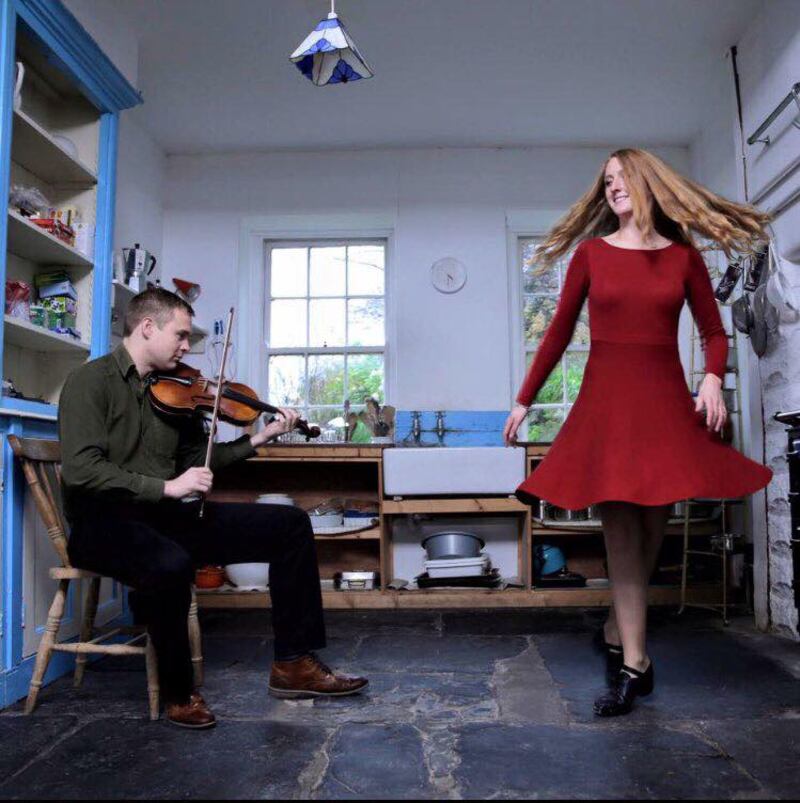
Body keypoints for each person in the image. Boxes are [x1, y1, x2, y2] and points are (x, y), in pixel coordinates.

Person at [503, 148, 773, 717]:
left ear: (648, 185)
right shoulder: (590, 255)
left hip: (663, 408)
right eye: (607, 181)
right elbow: (555, 334)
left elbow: (713, 332)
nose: (614, 187)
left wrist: (709, 380)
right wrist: (524, 399)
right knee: (622, 533)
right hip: (607, 408)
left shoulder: (682, 259)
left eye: (623, 178)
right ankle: (636, 665)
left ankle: (615, 628)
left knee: (653, 528)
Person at [59, 288, 368, 729]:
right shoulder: (90, 382)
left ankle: (294, 664)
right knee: (171, 563)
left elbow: (196, 464)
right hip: (102, 523)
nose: (188, 347)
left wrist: (257, 440)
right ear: (148, 327)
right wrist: (166, 487)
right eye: (181, 336)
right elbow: (81, 471)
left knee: (290, 525)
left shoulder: (179, 391)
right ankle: (180, 694)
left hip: (163, 518)